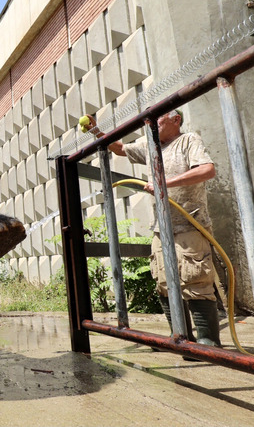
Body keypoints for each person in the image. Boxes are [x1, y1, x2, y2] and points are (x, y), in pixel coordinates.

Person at [85, 110, 221, 348]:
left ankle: (208, 342)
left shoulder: (188, 140)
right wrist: (95, 130)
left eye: (159, 118)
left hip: (190, 223)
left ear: (175, 119)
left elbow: (207, 170)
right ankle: (180, 338)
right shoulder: (150, 146)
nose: (153, 124)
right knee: (164, 283)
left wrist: (164, 183)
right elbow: (118, 148)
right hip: (161, 228)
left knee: (196, 281)